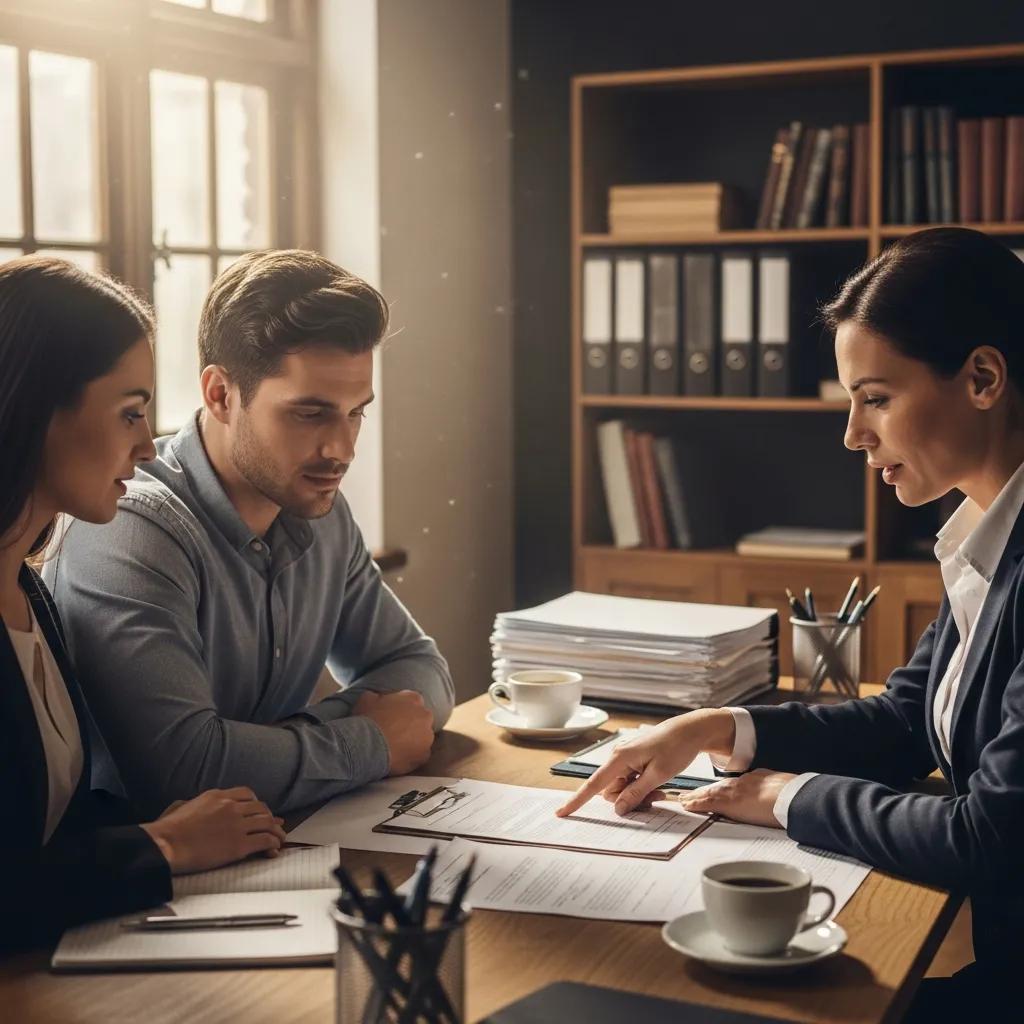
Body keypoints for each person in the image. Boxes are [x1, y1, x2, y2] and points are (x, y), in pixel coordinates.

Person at [557, 228, 1024, 1015]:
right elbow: (908, 720)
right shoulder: (985, 536)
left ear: (981, 377)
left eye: (876, 397)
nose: (853, 433)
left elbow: (990, 838)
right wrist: (715, 729)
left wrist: (782, 796)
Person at [45, 250, 454, 818]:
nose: (342, 450)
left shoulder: (320, 510)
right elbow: (185, 773)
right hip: (143, 882)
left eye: (355, 412)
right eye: (310, 414)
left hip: (280, 848)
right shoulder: (129, 526)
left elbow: (421, 671)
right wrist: (370, 738)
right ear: (219, 395)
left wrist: (288, 744)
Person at [0, 256, 287, 951]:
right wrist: (160, 847)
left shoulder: (27, 590)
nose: (146, 446)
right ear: (39, 407)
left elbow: (44, 827)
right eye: (130, 412)